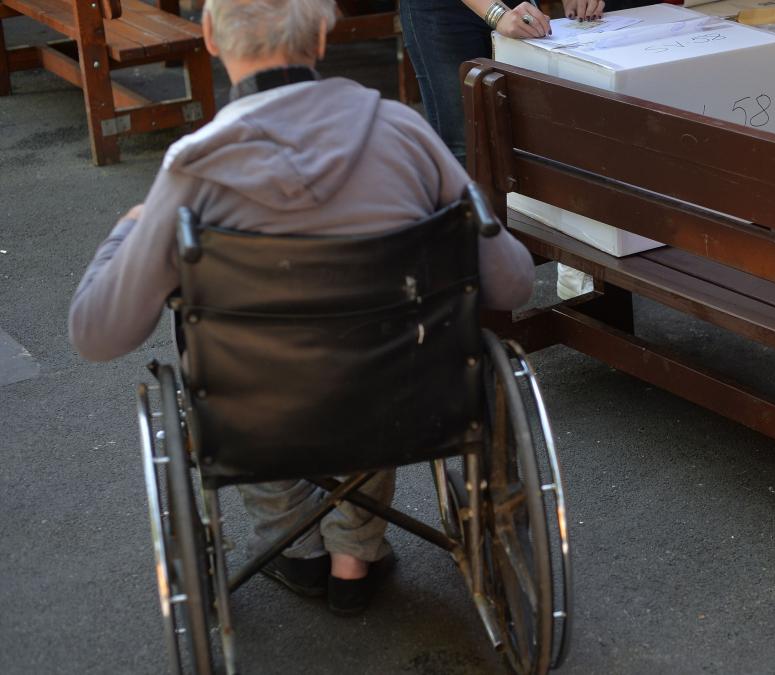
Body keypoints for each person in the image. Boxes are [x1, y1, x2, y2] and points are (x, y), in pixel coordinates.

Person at [68, 0, 534, 616]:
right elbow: (513, 284)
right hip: (404, 397)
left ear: (209, 35)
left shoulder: (194, 167)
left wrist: (129, 231)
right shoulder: (403, 132)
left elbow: (98, 333)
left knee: (257, 364)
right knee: (374, 346)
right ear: (321, 32)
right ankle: (354, 551)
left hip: (255, 412)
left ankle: (294, 543)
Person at [399, 0, 656, 165]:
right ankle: (469, 233)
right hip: (442, 11)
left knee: (525, 132)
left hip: (515, 9)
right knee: (465, 142)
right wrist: (497, 13)